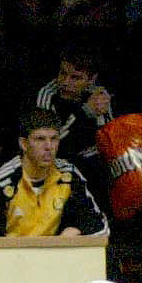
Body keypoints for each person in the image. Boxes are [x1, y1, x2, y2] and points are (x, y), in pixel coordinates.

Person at [0, 108, 109, 238]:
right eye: (40, 139)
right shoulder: (1, 181)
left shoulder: (68, 175)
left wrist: (74, 231)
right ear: (24, 144)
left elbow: (101, 227)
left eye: (54, 139)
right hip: (12, 258)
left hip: (54, 257)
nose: (49, 147)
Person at [31, 41, 114, 186]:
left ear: (91, 79)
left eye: (75, 77)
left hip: (91, 171)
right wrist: (85, 112)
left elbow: (107, 146)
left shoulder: (98, 95)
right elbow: (47, 148)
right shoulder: (48, 93)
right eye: (62, 73)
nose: (64, 82)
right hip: (54, 170)